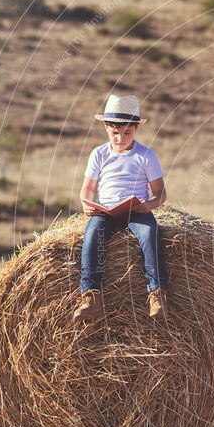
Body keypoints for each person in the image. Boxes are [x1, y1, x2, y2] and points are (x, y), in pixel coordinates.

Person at [73, 94, 169, 323]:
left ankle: (157, 294)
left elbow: (161, 192)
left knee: (148, 234)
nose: (120, 138)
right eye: (115, 133)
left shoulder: (145, 155)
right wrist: (87, 204)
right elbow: (87, 189)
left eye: (127, 133)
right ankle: (91, 296)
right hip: (105, 210)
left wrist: (150, 205)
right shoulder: (99, 154)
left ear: (136, 128)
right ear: (106, 128)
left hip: (136, 210)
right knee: (92, 235)